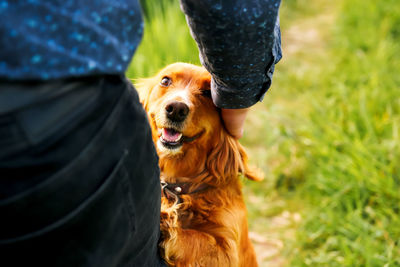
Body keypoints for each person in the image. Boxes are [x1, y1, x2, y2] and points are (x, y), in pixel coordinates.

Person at [0, 0, 281, 266]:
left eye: (206, 94)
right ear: (144, 102)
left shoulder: (222, 189)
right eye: (166, 82)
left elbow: (223, 255)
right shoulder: (136, 151)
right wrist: (241, 88)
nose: (178, 103)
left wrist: (171, 234)